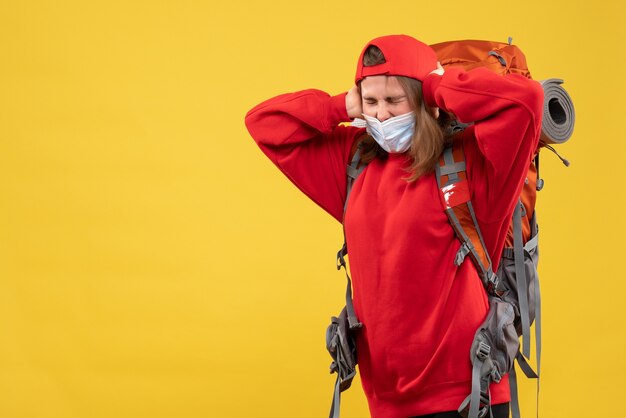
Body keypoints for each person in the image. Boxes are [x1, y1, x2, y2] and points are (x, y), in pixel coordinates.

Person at [245, 34, 543, 418]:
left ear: (425, 101)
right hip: (386, 401)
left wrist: (434, 87)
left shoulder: (472, 163)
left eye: (394, 100)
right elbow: (264, 124)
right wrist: (343, 104)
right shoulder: (353, 163)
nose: (381, 115)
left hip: (470, 396)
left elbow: (526, 102)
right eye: (371, 102)